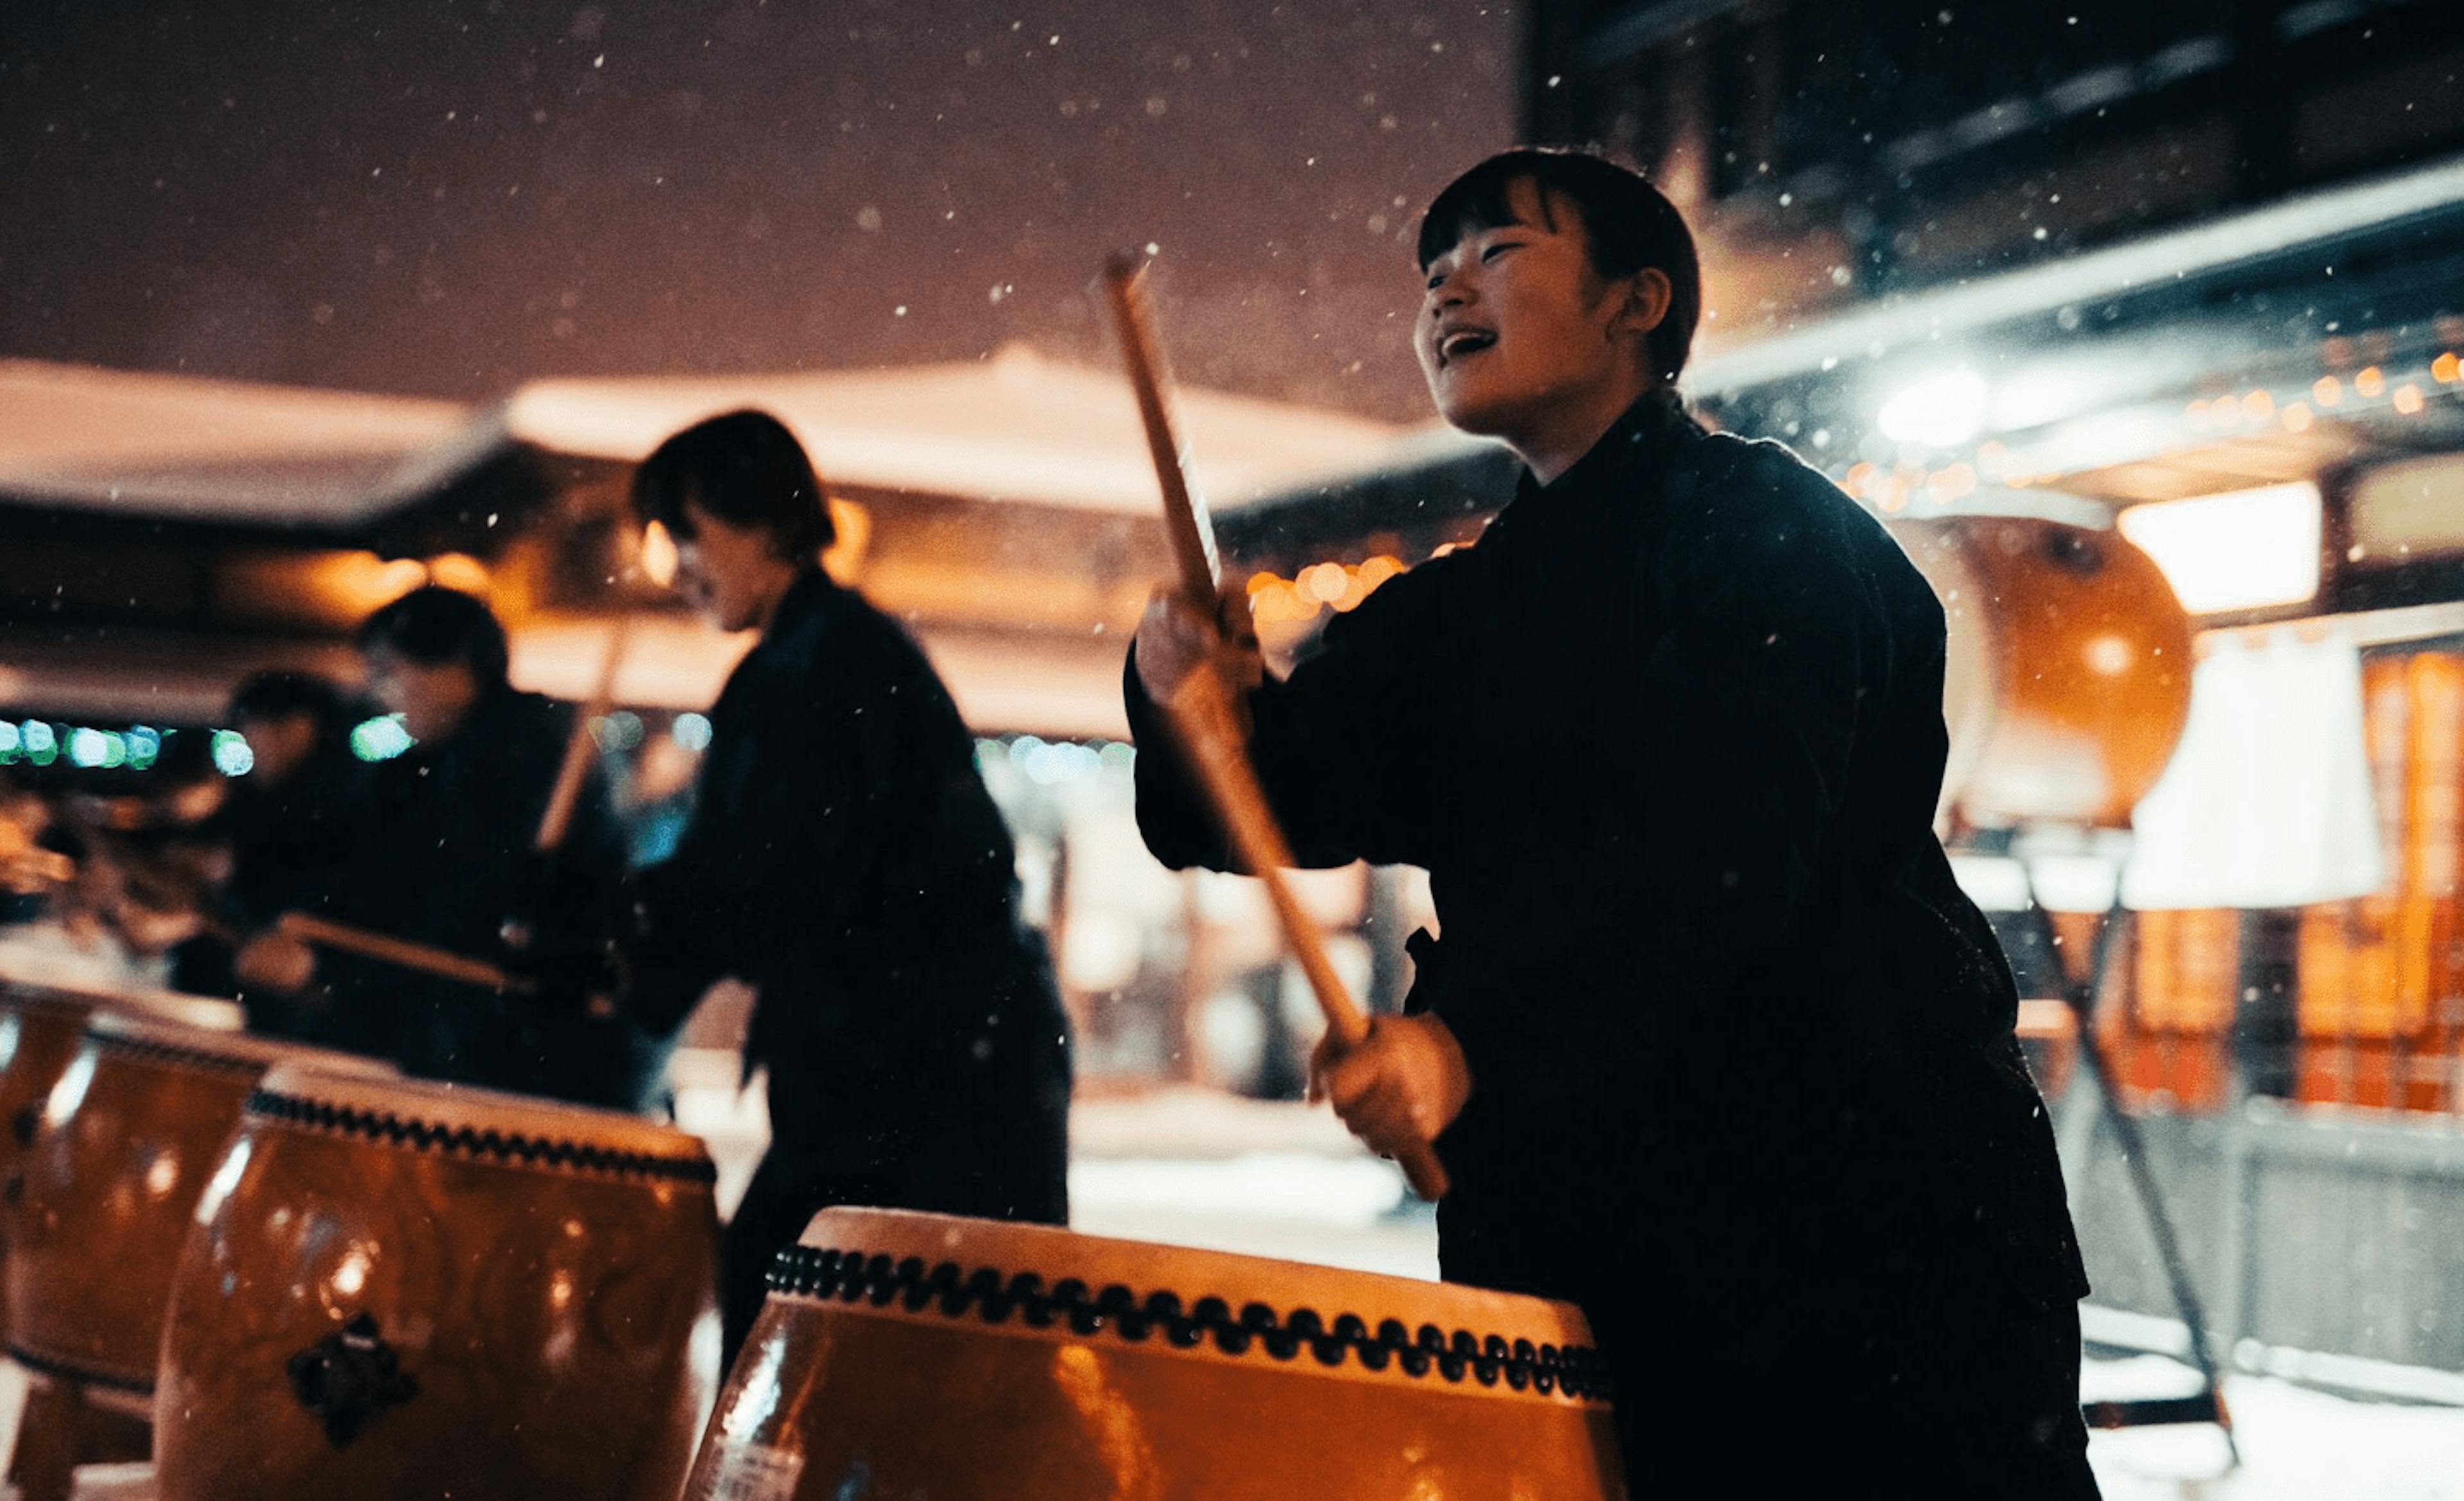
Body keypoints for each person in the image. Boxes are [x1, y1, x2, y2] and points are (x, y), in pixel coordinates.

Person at [1127, 148, 2098, 1497]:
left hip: (1854, 1214)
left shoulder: (1775, 534)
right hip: (1583, 1219)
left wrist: (1476, 1041)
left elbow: (1719, 863)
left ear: (1638, 301)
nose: (1445, 290)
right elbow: (1259, 801)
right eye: (1430, 271)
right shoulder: (1465, 607)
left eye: (1497, 252)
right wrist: (1185, 691)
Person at [620, 409, 1072, 1364]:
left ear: (767, 523)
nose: (678, 568)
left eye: (688, 533)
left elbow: (771, 878)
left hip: (933, 1084)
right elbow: (736, 874)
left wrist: (628, 936)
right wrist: (625, 936)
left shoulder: (837, 667)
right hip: (894, 1070)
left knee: (840, 1348)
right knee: (821, 1340)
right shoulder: (798, 663)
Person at [239, 586, 664, 1109]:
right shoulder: (451, 759)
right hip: (489, 1051)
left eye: (391, 671)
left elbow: (457, 916)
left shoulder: (520, 755)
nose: (382, 692)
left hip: (537, 1065)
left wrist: (325, 968)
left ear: (457, 662)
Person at [171, 670, 372, 1035]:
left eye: (271, 725)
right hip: (246, 976)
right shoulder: (252, 799)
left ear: (311, 728)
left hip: (299, 994)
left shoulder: (343, 803)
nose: (258, 739)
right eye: (252, 726)